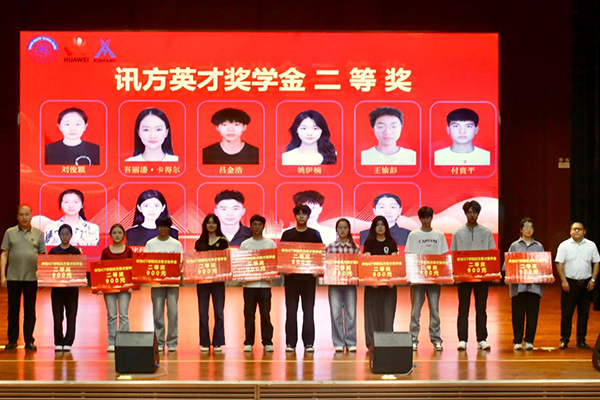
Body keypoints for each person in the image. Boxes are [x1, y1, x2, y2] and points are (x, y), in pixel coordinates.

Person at [452, 200, 496, 351]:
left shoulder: (486, 232)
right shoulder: (458, 233)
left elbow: (490, 255)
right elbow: (454, 256)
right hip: (464, 277)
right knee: (463, 309)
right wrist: (455, 275)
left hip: (481, 277)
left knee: (481, 309)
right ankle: (462, 339)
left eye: (475, 212)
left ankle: (482, 339)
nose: (472, 215)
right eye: (469, 212)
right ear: (465, 214)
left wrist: (492, 273)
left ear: (478, 213)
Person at [1, 205, 46, 351]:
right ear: (17, 217)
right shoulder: (10, 232)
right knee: (13, 311)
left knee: (30, 311)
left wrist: (42, 275)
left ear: (31, 216)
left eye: (27, 214)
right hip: (13, 277)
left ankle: (29, 340)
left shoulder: (38, 234)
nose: (24, 217)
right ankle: (12, 340)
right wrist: (2, 275)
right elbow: (4, 254)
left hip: (31, 278)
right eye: (21, 214)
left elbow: (42, 256)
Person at [405, 206, 448, 351]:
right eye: (423, 217)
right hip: (417, 279)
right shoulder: (413, 235)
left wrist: (443, 277)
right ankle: (413, 339)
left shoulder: (439, 235)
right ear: (420, 218)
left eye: (428, 217)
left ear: (432, 218)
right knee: (415, 311)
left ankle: (436, 339)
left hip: (434, 279)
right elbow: (409, 256)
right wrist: (410, 276)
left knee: (434, 310)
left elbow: (443, 257)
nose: (425, 220)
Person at [281, 204, 323, 352]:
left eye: (304, 214)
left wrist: (317, 270)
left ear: (308, 216)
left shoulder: (314, 234)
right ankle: (290, 343)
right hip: (291, 280)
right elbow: (283, 254)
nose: (301, 216)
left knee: (308, 311)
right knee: (291, 311)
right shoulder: (287, 234)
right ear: (294, 216)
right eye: (298, 214)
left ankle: (308, 343)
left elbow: (319, 255)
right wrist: (284, 268)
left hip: (308, 280)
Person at [556, 222, 600, 349]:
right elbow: (559, 263)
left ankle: (581, 340)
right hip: (569, 283)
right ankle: (564, 339)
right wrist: (563, 280)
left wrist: (593, 280)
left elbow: (597, 262)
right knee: (566, 314)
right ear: (570, 231)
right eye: (574, 229)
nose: (577, 231)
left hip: (586, 284)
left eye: (579, 229)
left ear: (584, 231)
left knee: (584, 314)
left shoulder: (591, 245)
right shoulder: (564, 245)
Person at [506, 218, 545, 351]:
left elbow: (543, 266)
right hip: (518, 287)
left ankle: (529, 341)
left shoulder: (539, 247)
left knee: (532, 315)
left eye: (531, 227)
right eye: (526, 227)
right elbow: (507, 265)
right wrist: (508, 275)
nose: (528, 230)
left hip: (534, 287)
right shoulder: (514, 246)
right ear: (521, 230)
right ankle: (517, 341)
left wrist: (546, 274)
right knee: (517, 315)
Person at [145, 216, 183, 352]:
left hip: (172, 284)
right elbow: (146, 263)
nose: (163, 229)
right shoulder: (150, 244)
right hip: (156, 284)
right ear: (157, 227)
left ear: (169, 228)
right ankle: (159, 342)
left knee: (173, 313)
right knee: (157, 313)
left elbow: (180, 264)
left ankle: (172, 342)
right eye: (160, 226)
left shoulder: (176, 244)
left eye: (165, 226)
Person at [239, 215, 276, 353]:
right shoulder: (245, 244)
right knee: (249, 315)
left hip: (265, 286)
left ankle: (267, 342)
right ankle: (248, 342)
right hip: (249, 286)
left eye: (259, 224)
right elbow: (241, 264)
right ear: (250, 226)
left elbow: (274, 264)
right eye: (254, 224)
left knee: (265, 315)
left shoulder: (270, 244)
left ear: (264, 226)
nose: (257, 227)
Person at [194, 214, 229, 353]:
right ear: (205, 225)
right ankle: (205, 342)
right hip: (202, 282)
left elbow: (226, 261)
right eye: (208, 223)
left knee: (219, 313)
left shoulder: (223, 242)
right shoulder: (199, 242)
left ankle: (218, 342)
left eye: (213, 223)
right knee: (203, 313)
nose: (211, 225)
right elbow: (194, 262)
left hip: (218, 283)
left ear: (217, 225)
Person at [363, 216, 399, 349]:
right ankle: (372, 343)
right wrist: (372, 280)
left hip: (389, 286)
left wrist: (392, 280)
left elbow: (394, 264)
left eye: (382, 225)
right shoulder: (369, 243)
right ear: (374, 227)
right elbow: (367, 263)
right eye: (377, 225)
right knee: (372, 314)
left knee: (388, 314)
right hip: (372, 286)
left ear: (386, 227)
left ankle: (386, 341)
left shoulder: (391, 242)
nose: (380, 227)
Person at [326, 218, 360, 353]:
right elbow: (325, 266)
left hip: (350, 285)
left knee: (351, 313)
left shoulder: (355, 248)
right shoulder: (330, 247)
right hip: (334, 285)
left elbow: (360, 267)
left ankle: (351, 342)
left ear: (349, 229)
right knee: (335, 313)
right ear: (336, 230)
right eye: (340, 228)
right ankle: (338, 342)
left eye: (345, 227)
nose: (342, 230)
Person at [99, 223, 134, 352]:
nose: (117, 235)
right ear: (110, 235)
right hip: (109, 288)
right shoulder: (106, 251)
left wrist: (132, 285)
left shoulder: (129, 251)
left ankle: (124, 340)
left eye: (119, 233)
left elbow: (133, 269)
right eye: (114, 233)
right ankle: (112, 341)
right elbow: (101, 270)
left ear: (123, 235)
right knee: (112, 315)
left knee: (124, 314)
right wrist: (100, 287)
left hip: (125, 288)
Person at [48, 224, 81, 352]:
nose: (65, 237)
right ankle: (58, 341)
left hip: (72, 291)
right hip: (57, 290)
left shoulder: (76, 252)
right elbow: (48, 270)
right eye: (63, 234)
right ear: (59, 235)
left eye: (67, 234)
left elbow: (79, 271)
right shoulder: (53, 252)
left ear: (71, 235)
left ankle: (68, 341)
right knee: (57, 316)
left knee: (71, 316)